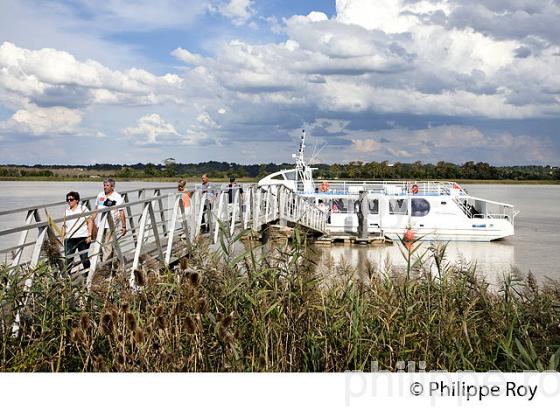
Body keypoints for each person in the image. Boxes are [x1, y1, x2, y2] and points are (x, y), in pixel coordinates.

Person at [94, 178, 126, 261]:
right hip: (100, 224)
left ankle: (105, 266)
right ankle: (110, 261)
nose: (105, 187)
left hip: (110, 225)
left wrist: (124, 226)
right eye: (104, 185)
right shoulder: (100, 195)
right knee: (100, 245)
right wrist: (91, 222)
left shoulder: (117, 197)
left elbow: (121, 211)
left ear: (112, 187)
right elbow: (96, 209)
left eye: (107, 185)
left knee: (108, 246)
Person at [62, 191, 93, 275]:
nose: (69, 201)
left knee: (84, 257)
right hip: (69, 238)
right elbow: (64, 225)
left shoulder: (83, 209)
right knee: (68, 258)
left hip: (82, 237)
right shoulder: (67, 211)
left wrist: (89, 235)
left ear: (77, 200)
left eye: (71, 199)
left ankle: (88, 274)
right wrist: (62, 238)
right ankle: (67, 277)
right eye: (67, 200)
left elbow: (90, 222)